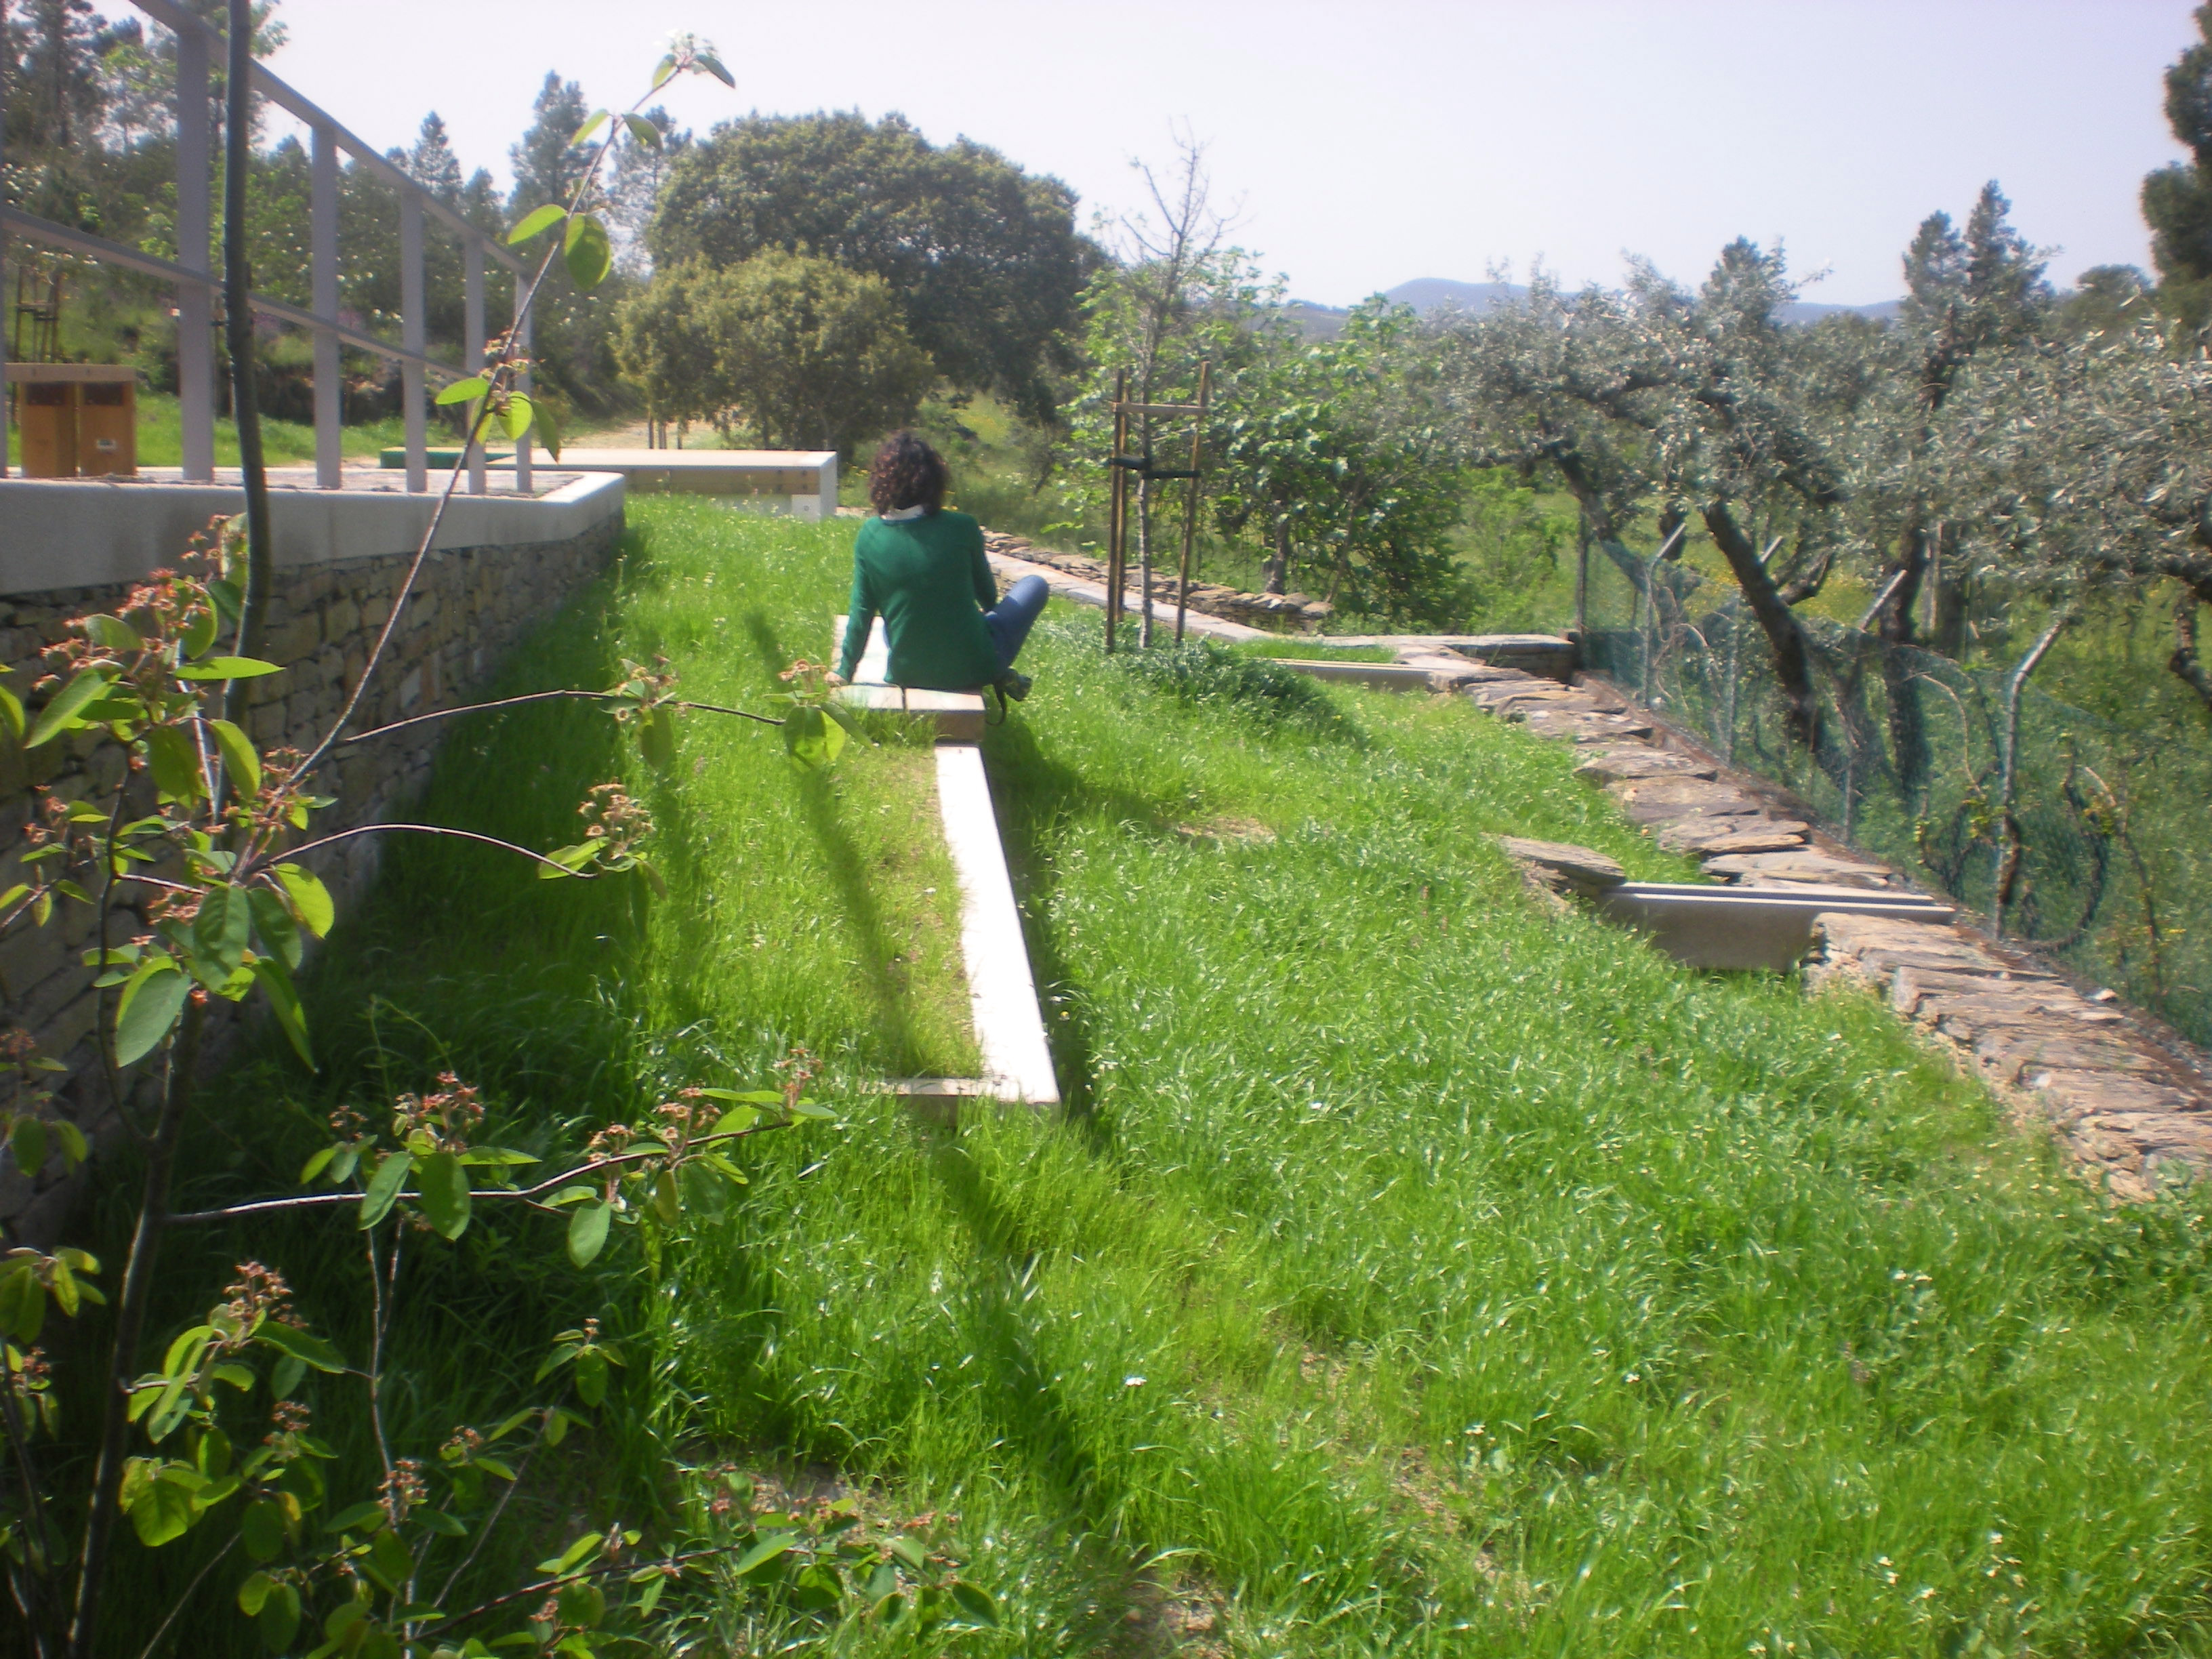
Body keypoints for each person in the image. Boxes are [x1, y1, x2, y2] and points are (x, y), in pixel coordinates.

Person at [834, 431, 1048, 701]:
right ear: (934, 481)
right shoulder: (963, 526)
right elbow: (988, 597)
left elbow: (862, 611)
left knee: (901, 619)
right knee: (1035, 585)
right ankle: (997, 670)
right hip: (974, 666)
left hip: (907, 669)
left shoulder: (869, 534)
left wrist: (844, 671)